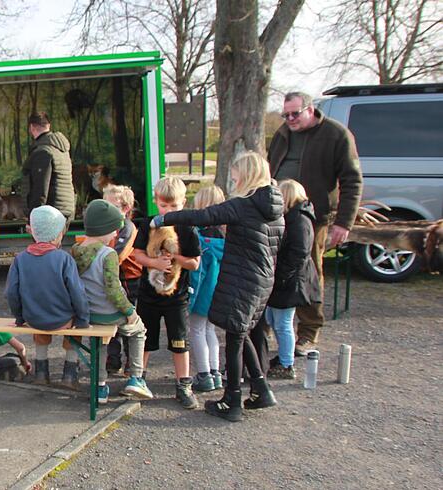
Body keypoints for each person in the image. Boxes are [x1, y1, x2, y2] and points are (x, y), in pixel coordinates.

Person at [153, 152, 285, 422]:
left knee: (234, 340)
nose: (233, 178)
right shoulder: (275, 208)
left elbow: (205, 215)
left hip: (242, 278)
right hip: (263, 279)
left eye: (236, 174)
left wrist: (164, 219)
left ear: (247, 174)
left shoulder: (243, 205)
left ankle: (232, 400)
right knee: (242, 332)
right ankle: (260, 389)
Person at [267, 91, 363, 354]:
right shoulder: (283, 134)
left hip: (312, 216)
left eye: (295, 114)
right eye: (285, 115)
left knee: (308, 272)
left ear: (310, 110)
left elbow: (352, 181)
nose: (289, 119)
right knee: (269, 267)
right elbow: (269, 168)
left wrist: (344, 222)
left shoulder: (336, 135)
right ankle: (263, 326)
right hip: (277, 214)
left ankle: (309, 331)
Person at [71, 199, 152, 404]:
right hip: (110, 314)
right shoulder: (108, 254)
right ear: (104, 229)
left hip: (89, 314)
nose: (116, 234)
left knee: (98, 345)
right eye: (114, 230)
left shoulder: (76, 250)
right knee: (138, 330)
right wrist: (129, 311)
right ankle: (135, 377)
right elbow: (113, 290)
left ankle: (99, 388)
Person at [130, 176, 201, 409]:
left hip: (177, 297)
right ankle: (139, 378)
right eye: (164, 205)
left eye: (174, 206)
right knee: (145, 339)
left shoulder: (187, 227)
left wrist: (176, 259)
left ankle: (183, 385)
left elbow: (195, 263)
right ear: (155, 202)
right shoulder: (149, 223)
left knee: (180, 341)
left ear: (183, 203)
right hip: (149, 296)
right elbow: (136, 254)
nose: (168, 210)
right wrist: (154, 263)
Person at [5, 205, 90, 389]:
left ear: (34, 233)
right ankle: (69, 374)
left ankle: (41, 373)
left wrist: (20, 318)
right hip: (63, 320)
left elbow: (11, 292)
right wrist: (82, 319)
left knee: (40, 319)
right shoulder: (64, 259)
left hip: (33, 320)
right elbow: (77, 292)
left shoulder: (20, 259)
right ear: (57, 234)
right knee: (74, 328)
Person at [262, 179, 321, 379]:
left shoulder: (299, 220)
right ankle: (284, 358)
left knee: (282, 322)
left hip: (291, 282)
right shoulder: (297, 218)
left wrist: (281, 276)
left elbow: (298, 253)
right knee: (274, 318)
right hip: (287, 279)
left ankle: (287, 364)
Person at [187, 185, 227, 393]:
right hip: (218, 292)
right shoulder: (224, 237)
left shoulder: (200, 238)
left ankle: (203, 373)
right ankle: (215, 371)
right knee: (211, 331)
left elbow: (197, 272)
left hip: (202, 292)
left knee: (197, 330)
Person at [101, 184, 142, 376]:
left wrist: (99, 263)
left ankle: (130, 364)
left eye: (111, 206)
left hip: (129, 280)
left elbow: (119, 255)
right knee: (112, 322)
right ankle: (113, 360)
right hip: (113, 279)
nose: (106, 210)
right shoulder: (108, 226)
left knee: (128, 321)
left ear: (125, 209)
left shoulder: (128, 228)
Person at [22, 112, 76, 220]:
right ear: (49, 126)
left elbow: (40, 188)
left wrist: (34, 218)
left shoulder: (43, 151)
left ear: (31, 127)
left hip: (50, 214)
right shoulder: (62, 150)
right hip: (65, 209)